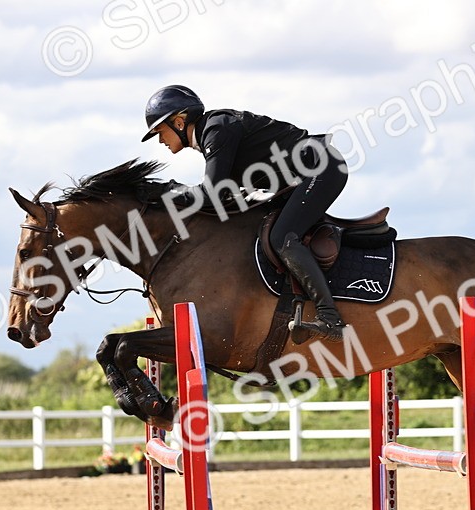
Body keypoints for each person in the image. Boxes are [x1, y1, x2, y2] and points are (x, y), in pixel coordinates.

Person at [142, 84, 348, 342]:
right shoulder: (211, 134)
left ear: (180, 122)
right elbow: (224, 197)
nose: (160, 140)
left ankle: (330, 317)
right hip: (298, 179)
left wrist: (165, 191)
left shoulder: (217, 129)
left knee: (281, 237)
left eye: (159, 132)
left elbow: (212, 195)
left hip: (322, 167)